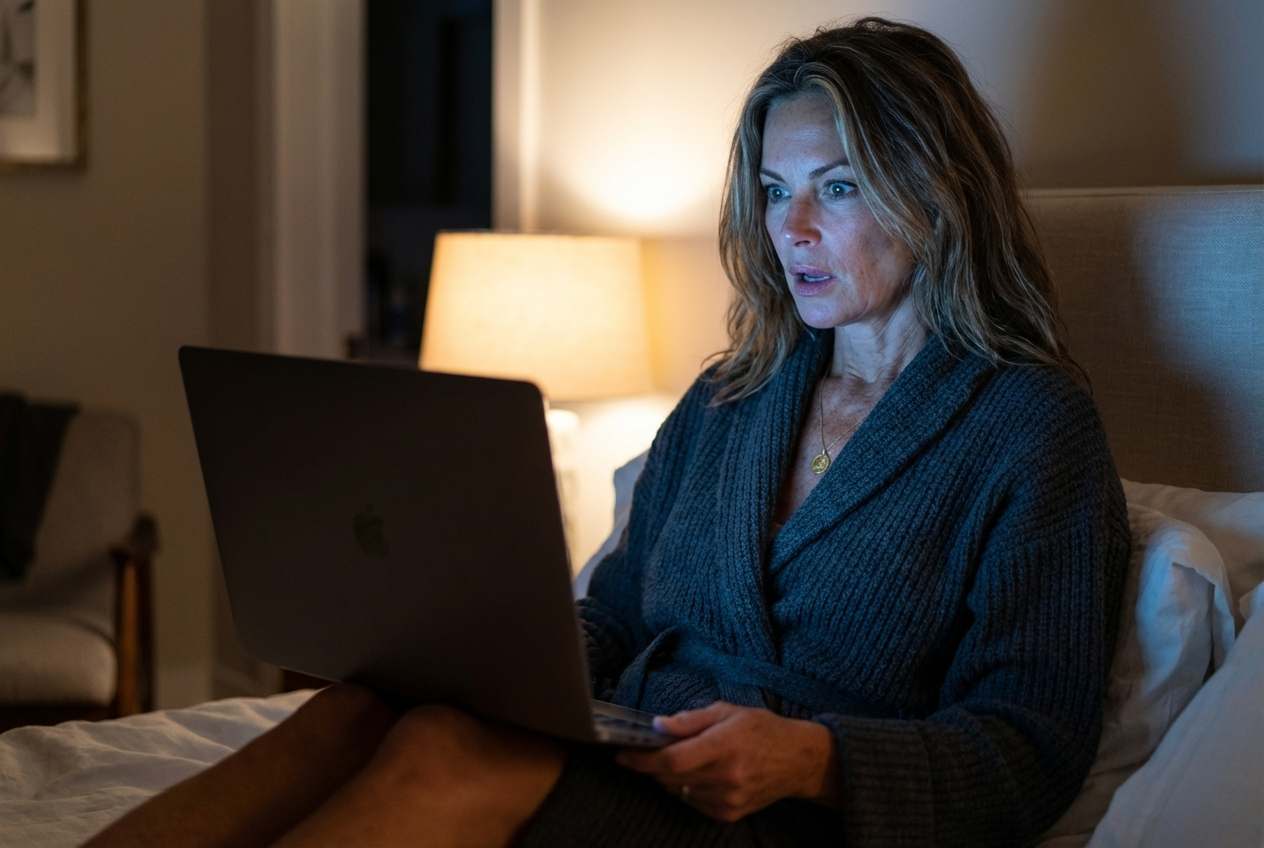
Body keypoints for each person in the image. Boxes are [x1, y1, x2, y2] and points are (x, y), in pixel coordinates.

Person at [88, 17, 1128, 848]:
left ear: (936, 196)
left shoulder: (1030, 429)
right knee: (358, 708)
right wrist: (495, 663)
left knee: (446, 754)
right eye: (774, 192)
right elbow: (620, 612)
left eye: (837, 187)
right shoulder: (733, 395)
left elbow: (1030, 746)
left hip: (785, 813)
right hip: (639, 751)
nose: (791, 229)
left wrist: (813, 758)